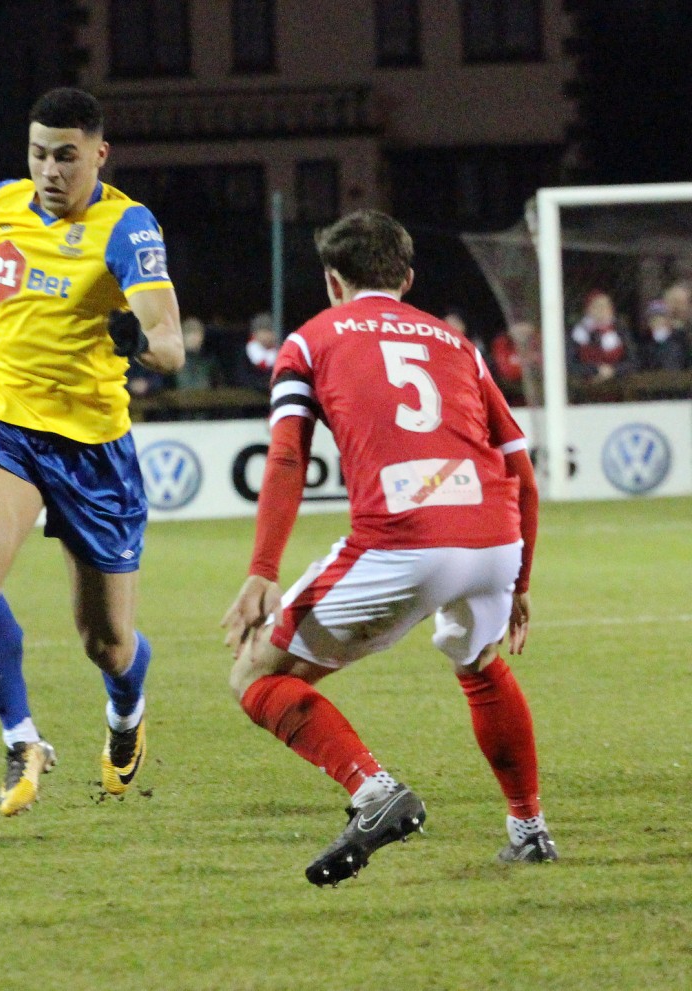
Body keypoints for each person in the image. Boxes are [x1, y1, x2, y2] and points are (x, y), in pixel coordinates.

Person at [221, 209, 555, 887]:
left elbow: (287, 458)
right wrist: (519, 580)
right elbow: (521, 472)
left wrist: (262, 569)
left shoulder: (311, 340)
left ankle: (375, 792)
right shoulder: (457, 344)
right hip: (494, 536)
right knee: (478, 657)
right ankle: (529, 830)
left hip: (402, 541)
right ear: (406, 277)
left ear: (332, 281)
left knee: (255, 677)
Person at [0, 87, 183, 818]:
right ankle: (23, 737)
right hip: (9, 424)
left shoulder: (127, 226)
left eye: (67, 156)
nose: (50, 169)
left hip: (93, 449)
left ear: (99, 155)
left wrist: (136, 340)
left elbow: (170, 341)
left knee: (107, 644)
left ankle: (125, 712)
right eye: (38, 153)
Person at [566, 289, 636, 381]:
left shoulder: (620, 330)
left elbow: (633, 361)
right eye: (597, 306)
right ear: (588, 309)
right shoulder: (577, 333)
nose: (603, 310)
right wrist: (596, 369)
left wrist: (613, 370)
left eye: (606, 306)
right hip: (585, 387)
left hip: (620, 385)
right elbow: (570, 365)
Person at [638, 298, 689, 372]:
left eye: (661, 317)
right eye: (654, 319)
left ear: (669, 320)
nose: (658, 321)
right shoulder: (644, 343)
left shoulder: (680, 339)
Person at [240, 310, 279, 391]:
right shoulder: (245, 352)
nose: (268, 335)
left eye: (270, 331)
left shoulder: (280, 352)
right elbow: (242, 377)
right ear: (254, 334)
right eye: (264, 331)